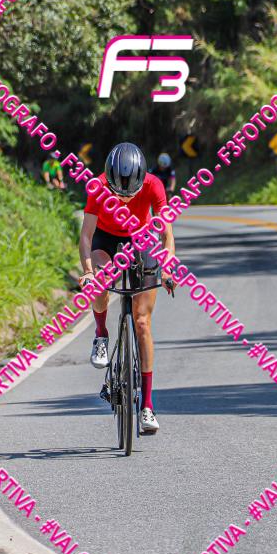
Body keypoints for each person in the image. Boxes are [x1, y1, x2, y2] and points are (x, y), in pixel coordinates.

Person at [78, 142, 175, 434]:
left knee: (142, 322)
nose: (123, 199)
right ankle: (101, 334)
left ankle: (147, 406)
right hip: (105, 238)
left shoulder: (154, 184)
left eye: (129, 194)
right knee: (100, 278)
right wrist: (88, 272)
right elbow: (86, 236)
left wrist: (168, 268)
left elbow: (166, 234)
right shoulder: (97, 186)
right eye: (118, 194)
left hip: (140, 238)